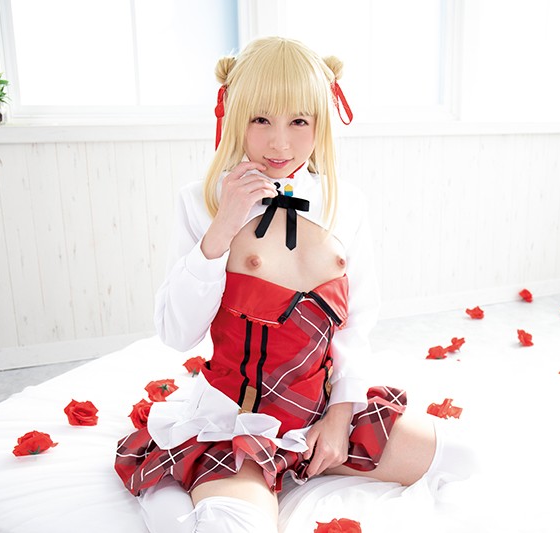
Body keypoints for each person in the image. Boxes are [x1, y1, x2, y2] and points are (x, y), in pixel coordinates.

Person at [115, 36, 468, 533]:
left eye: (299, 121)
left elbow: (355, 325)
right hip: (236, 422)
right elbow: (177, 333)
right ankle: (201, 481)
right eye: (261, 119)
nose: (279, 143)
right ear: (234, 115)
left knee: (464, 461)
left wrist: (339, 421)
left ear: (321, 122)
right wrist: (223, 228)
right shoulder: (200, 200)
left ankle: (297, 464)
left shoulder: (347, 203)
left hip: (320, 412)